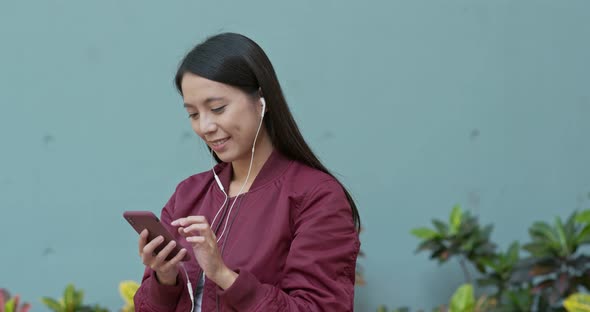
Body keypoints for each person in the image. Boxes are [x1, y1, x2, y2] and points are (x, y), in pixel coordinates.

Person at [133, 32, 361, 312]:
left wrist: (224, 276)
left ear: (260, 101)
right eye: (193, 114)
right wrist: (164, 278)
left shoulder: (316, 196)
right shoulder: (188, 195)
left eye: (217, 108)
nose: (205, 126)